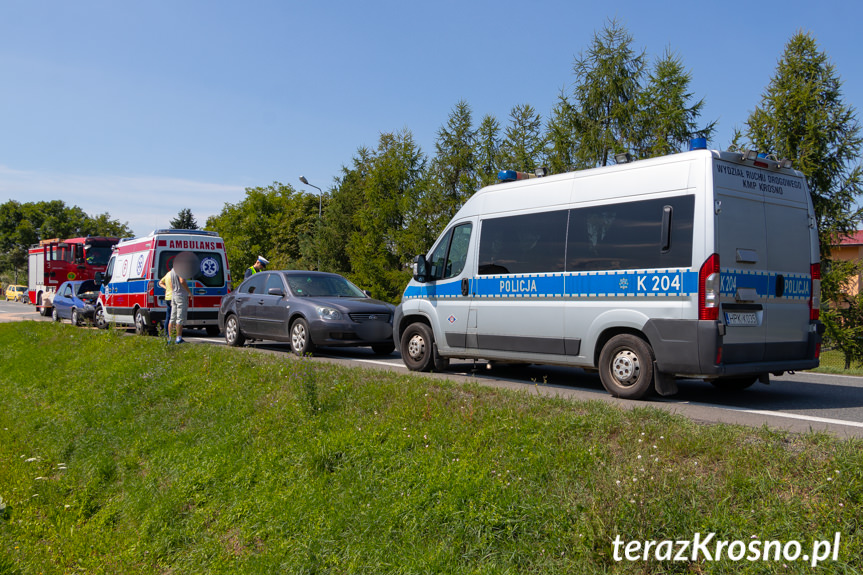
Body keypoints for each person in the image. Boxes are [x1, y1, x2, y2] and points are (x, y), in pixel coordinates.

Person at [166, 261, 192, 344]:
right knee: (180, 318)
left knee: (172, 318)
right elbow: (182, 281)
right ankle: (178, 338)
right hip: (181, 295)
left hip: (174, 295)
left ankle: (170, 338)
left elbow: (170, 283)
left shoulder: (172, 271)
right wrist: (189, 292)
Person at [158, 267, 173, 339]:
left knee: (168, 316)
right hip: (173, 297)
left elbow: (160, 282)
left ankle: (166, 333)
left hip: (167, 297)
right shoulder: (175, 274)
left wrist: (166, 288)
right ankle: (172, 334)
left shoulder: (168, 274)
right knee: (173, 317)